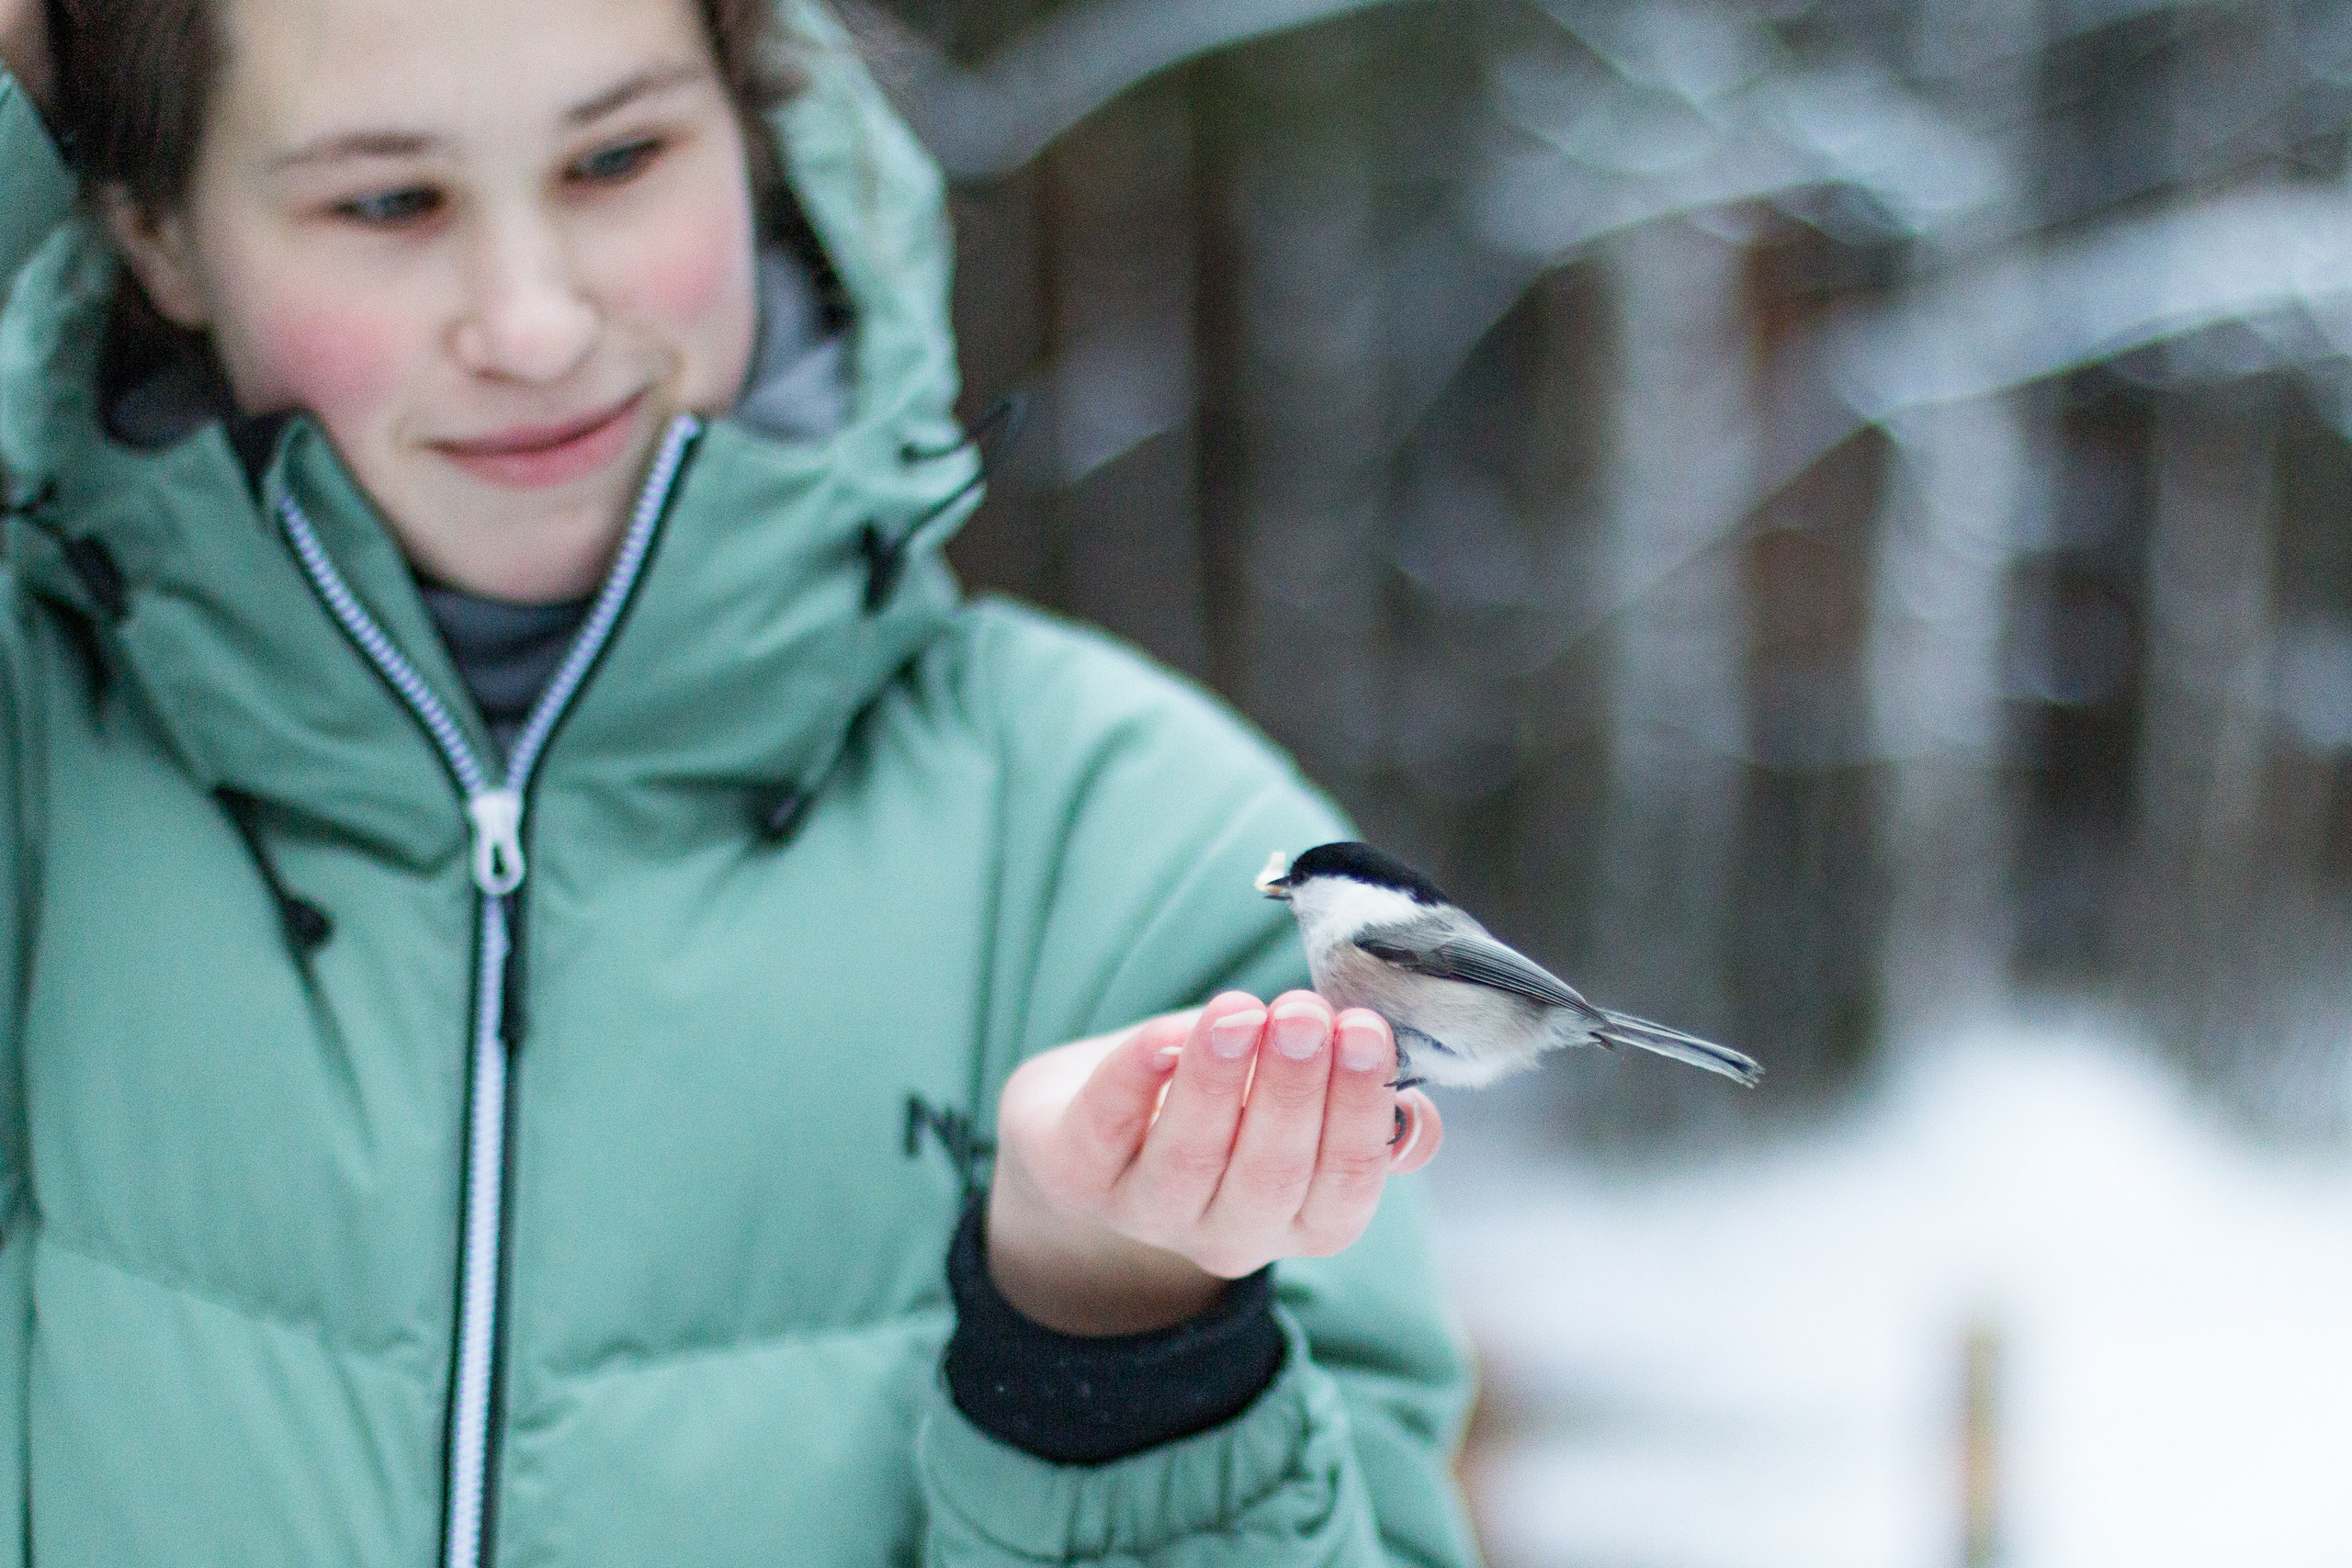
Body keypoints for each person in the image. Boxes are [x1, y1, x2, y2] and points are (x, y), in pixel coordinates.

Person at [0, 0, 1481, 1562]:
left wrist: (1110, 1351)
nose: (535, 323)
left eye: (618, 157)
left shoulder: (1139, 849)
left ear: (767, 144)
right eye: (389, 201)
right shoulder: (36, 760)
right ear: (155, 238)